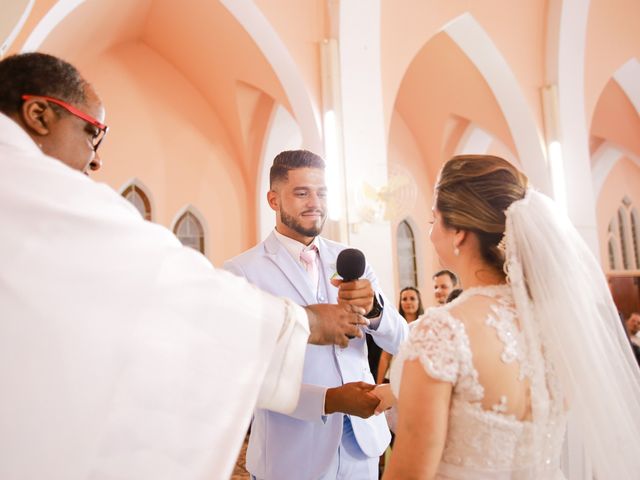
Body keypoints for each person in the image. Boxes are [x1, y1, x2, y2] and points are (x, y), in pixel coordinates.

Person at [0, 52, 369, 480]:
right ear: (39, 114)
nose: (97, 159)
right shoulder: (35, 186)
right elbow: (164, 282)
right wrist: (302, 323)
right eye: (93, 133)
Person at [378, 155, 640, 479]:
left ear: (458, 232)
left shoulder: (443, 330)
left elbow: (409, 475)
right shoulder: (557, 326)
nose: (431, 233)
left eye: (433, 221)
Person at [224, 150, 409, 480]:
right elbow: (247, 375)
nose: (315, 203)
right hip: (291, 454)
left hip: (363, 447)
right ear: (273, 199)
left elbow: (403, 340)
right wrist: (330, 400)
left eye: (322, 192)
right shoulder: (242, 272)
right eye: (301, 193)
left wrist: (376, 310)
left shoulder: (352, 260)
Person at [376, 286, 424, 384]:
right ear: (400, 303)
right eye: (404, 299)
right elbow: (385, 358)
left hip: (419, 379)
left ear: (419, 302)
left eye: (412, 298)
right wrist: (378, 384)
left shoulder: (426, 324)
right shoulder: (394, 326)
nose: (408, 302)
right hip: (396, 379)